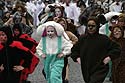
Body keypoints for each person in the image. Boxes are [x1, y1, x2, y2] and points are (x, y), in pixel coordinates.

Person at [70, 16, 121, 83]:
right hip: (86, 68)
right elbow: (74, 50)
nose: (90, 28)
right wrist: (78, 58)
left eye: (93, 26)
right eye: (89, 26)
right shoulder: (83, 38)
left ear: (97, 26)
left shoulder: (103, 39)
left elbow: (117, 48)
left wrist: (109, 57)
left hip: (100, 68)